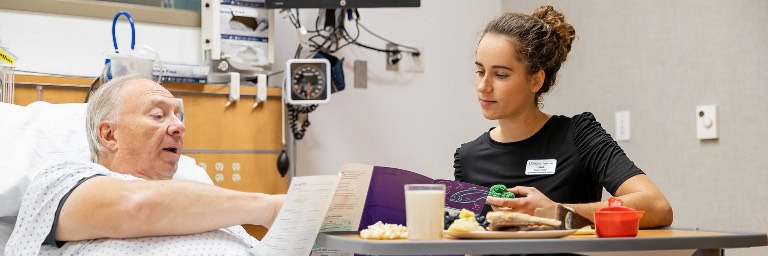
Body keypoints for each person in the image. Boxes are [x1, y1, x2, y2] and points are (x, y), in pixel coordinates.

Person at [5, 74, 285, 255]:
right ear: (109, 134)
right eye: (157, 115)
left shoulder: (206, 201)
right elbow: (136, 206)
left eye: (178, 116)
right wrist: (270, 208)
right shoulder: (62, 181)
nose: (178, 126)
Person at [454, 6, 673, 229]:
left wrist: (555, 211)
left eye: (500, 75)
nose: (483, 86)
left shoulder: (579, 135)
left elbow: (657, 206)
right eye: (480, 71)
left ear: (536, 80)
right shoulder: (468, 158)